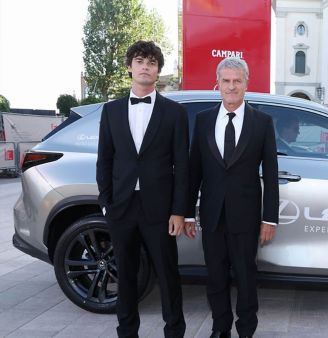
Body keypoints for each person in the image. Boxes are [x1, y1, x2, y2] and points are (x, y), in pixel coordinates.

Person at [96, 40, 188, 338]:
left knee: (168, 274)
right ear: (130, 67)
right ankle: (127, 332)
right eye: (139, 61)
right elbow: (105, 160)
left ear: (158, 70)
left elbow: (182, 166)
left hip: (160, 210)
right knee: (125, 276)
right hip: (122, 208)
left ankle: (174, 331)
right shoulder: (110, 112)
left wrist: (178, 211)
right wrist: (107, 203)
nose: (145, 66)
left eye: (151, 62)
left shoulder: (175, 113)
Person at [184, 57, 279, 338]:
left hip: (247, 217)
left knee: (246, 277)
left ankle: (246, 330)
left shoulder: (262, 122)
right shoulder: (203, 121)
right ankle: (220, 328)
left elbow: (271, 174)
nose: (231, 86)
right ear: (218, 84)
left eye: (237, 81)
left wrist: (269, 218)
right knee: (215, 277)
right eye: (226, 81)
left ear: (246, 83)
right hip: (212, 215)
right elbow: (194, 171)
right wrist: (188, 212)